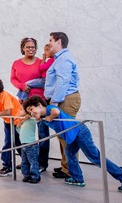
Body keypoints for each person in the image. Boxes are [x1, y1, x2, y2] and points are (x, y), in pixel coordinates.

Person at [23, 96, 122, 192]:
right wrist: (27, 115)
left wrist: (50, 117)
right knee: (69, 154)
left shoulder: (50, 108)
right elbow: (31, 117)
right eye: (29, 112)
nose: (32, 113)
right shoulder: (42, 118)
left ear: (39, 105)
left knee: (95, 157)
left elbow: (56, 112)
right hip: (72, 136)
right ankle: (77, 178)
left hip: (80, 132)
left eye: (32, 109)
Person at [44, 31, 81, 179]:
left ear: (59, 41)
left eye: (51, 40)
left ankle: (72, 171)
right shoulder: (59, 59)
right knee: (62, 135)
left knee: (68, 135)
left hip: (65, 99)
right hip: (63, 99)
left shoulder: (64, 59)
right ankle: (67, 167)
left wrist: (54, 103)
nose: (49, 43)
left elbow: (62, 82)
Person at [10, 37, 50, 172]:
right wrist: (22, 86)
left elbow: (45, 79)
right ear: (23, 48)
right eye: (28, 47)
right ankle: (27, 160)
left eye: (33, 47)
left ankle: (42, 163)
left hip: (40, 102)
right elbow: (13, 79)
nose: (30, 49)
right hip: (24, 102)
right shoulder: (16, 63)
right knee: (22, 132)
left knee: (43, 133)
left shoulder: (40, 62)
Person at [16, 108, 40, 184]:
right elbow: (20, 132)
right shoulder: (22, 121)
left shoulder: (31, 119)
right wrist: (19, 125)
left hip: (31, 144)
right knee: (24, 161)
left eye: (21, 110)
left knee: (33, 161)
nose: (19, 111)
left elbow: (39, 118)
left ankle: (35, 176)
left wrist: (29, 115)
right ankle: (26, 175)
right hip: (23, 145)